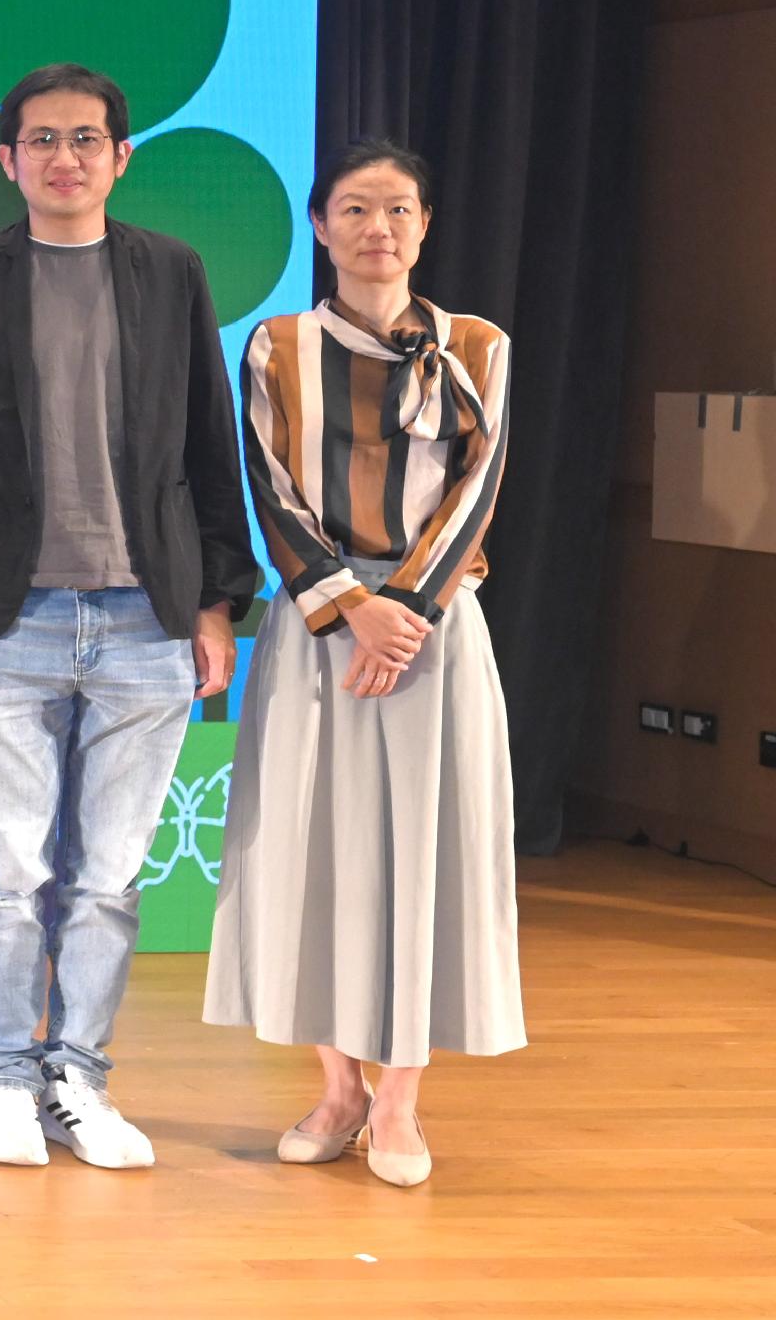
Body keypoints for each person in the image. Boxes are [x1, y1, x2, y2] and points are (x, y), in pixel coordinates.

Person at [0, 65, 252, 1171]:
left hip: (148, 617)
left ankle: (79, 1079)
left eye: (87, 139)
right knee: (9, 874)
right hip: (8, 616)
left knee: (108, 878)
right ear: (7, 159)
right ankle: (0, 1078)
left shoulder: (169, 272)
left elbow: (208, 439)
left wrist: (214, 603)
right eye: (41, 139)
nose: (65, 158)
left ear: (120, 155)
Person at [204, 138, 522, 1189]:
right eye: (353, 208)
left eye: (396, 209)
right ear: (319, 225)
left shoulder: (477, 345)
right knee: (307, 845)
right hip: (316, 632)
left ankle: (398, 1103)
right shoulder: (274, 347)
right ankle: (334, 1085)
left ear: (424, 225)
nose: (375, 227)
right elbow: (270, 492)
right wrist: (349, 608)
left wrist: (404, 609)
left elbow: (478, 489)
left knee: (425, 852)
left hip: (433, 628)